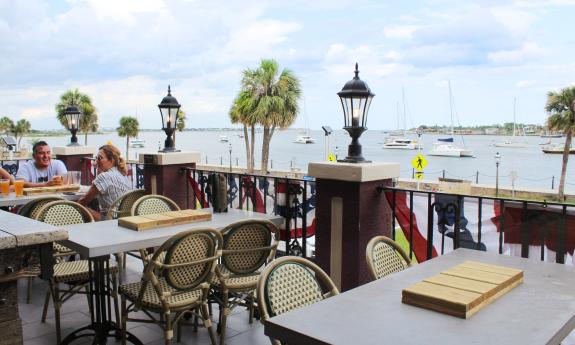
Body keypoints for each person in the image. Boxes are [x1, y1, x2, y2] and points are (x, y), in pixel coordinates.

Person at [77, 144, 132, 220]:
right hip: (126, 219)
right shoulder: (122, 174)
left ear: (111, 160)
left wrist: (70, 207)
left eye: (99, 158)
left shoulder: (104, 177)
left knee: (79, 207)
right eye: (96, 158)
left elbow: (83, 201)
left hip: (110, 220)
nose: (96, 161)